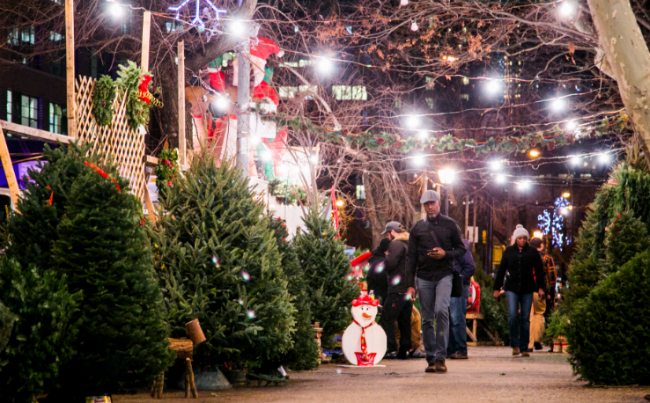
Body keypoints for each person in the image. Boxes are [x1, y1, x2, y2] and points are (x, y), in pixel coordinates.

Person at [406, 190, 466, 373]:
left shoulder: (450, 225)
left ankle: (441, 357)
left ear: (439, 203)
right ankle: (430, 358)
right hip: (423, 277)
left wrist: (445, 254)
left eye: (432, 203)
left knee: (441, 311)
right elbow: (411, 258)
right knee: (426, 319)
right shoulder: (417, 228)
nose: (429, 207)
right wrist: (410, 284)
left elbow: (461, 249)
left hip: (444, 275)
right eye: (426, 204)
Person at [493, 225, 546, 357]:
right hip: (511, 287)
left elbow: (539, 271)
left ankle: (524, 347)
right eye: (520, 238)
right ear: (516, 238)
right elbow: (501, 270)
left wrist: (541, 288)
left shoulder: (532, 252)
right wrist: (496, 288)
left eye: (524, 238)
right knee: (512, 315)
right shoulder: (509, 251)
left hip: (527, 288)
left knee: (525, 317)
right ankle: (514, 344)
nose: (522, 240)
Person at [380, 221, 413, 359]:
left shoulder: (396, 244)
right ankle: (404, 350)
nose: (388, 237)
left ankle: (390, 348)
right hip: (408, 288)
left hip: (397, 288)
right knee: (404, 320)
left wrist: (381, 265)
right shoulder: (410, 244)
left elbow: (391, 262)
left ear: (392, 233)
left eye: (388, 234)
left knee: (387, 318)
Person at [448, 233, 475, 359]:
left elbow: (470, 267)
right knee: (450, 317)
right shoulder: (449, 245)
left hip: (458, 286)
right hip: (450, 285)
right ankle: (451, 349)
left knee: (456, 317)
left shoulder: (461, 245)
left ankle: (460, 349)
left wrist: (459, 280)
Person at [528, 237, 557, 351]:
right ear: (541, 246)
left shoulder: (526, 256)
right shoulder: (547, 257)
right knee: (539, 314)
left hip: (527, 290)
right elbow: (552, 277)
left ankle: (529, 342)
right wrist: (550, 292)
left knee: (529, 315)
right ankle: (537, 340)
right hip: (540, 290)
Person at [367, 238, 391, 305]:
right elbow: (385, 280)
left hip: (380, 296)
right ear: (386, 251)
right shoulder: (379, 263)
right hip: (379, 299)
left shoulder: (378, 260)